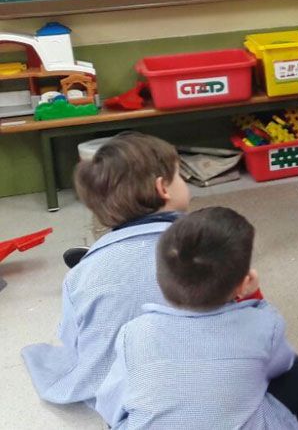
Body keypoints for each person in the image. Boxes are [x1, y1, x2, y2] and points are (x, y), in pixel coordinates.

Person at [95, 208, 298, 429]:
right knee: (296, 370)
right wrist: (256, 299)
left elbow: (109, 403)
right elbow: (283, 364)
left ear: (159, 281)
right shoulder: (264, 326)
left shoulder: (133, 333)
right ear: (244, 283)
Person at [22, 133, 190, 411]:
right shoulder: (205, 244)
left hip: (122, 394)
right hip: (197, 377)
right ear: (164, 188)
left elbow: (72, 336)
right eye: (181, 176)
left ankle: (111, 260)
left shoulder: (79, 276)